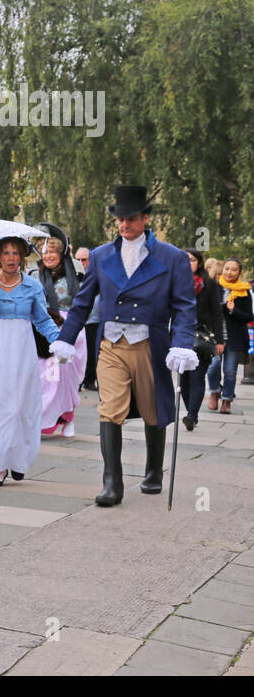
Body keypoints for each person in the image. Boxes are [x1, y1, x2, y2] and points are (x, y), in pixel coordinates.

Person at [52, 186, 198, 506]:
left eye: (131, 218)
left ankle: (153, 471)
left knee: (151, 407)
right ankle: (111, 482)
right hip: (111, 344)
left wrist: (183, 344)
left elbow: (186, 306)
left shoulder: (172, 258)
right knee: (110, 408)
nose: (124, 224)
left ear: (145, 218)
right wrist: (65, 339)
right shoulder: (102, 255)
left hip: (150, 343)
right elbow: (82, 302)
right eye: (119, 219)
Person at [0, 237, 66, 487]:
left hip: (23, 351)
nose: (11, 258)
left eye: (15, 253)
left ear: (22, 257)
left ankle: (18, 459)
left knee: (21, 408)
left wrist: (59, 342)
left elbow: (43, 319)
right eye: (6, 253)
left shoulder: (32, 286)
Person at [35, 223, 87, 437]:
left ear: (60, 253)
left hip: (71, 329)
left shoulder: (75, 274)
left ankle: (68, 419)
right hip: (46, 329)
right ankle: (44, 419)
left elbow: (84, 301)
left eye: (52, 252)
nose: (47, 256)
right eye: (44, 252)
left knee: (66, 378)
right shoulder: (36, 275)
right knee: (47, 378)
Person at [180, 250, 225, 430]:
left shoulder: (209, 284)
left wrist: (220, 340)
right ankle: (192, 412)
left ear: (199, 262)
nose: (187, 263)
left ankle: (191, 415)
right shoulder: (177, 282)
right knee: (183, 379)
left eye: (191, 260)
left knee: (197, 376)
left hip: (202, 336)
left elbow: (216, 313)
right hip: (181, 334)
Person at [207, 257, 252, 415]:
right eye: (227, 268)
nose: (229, 272)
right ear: (222, 269)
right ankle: (214, 392)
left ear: (239, 272)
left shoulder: (244, 291)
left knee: (230, 371)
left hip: (234, 338)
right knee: (213, 367)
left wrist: (234, 310)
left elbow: (248, 316)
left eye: (234, 269)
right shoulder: (214, 287)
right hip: (215, 336)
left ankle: (227, 400)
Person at [74, 246, 102, 391]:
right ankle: (77, 381)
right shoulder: (73, 276)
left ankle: (90, 380)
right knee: (76, 353)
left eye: (83, 259)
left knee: (92, 352)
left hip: (94, 321)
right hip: (78, 321)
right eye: (77, 259)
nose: (80, 262)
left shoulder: (98, 274)